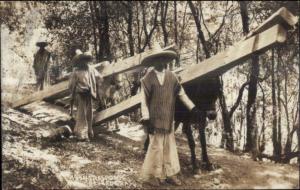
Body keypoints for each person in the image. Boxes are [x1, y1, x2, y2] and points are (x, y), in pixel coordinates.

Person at [139, 43, 204, 186]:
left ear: (165, 60)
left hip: (168, 119)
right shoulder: (147, 79)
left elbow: (182, 94)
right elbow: (143, 101)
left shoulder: (172, 77)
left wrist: (193, 109)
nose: (160, 62)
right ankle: (153, 176)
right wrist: (146, 118)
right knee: (156, 148)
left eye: (162, 59)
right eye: (157, 60)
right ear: (153, 62)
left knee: (170, 148)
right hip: (154, 120)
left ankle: (170, 174)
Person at [69, 51, 103, 141]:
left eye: (85, 60)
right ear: (79, 61)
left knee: (89, 113)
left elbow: (99, 77)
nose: (84, 62)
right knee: (81, 113)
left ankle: (89, 132)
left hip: (89, 93)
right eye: (82, 60)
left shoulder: (91, 69)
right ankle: (81, 134)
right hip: (80, 94)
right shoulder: (76, 71)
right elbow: (71, 85)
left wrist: (96, 85)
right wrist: (73, 95)